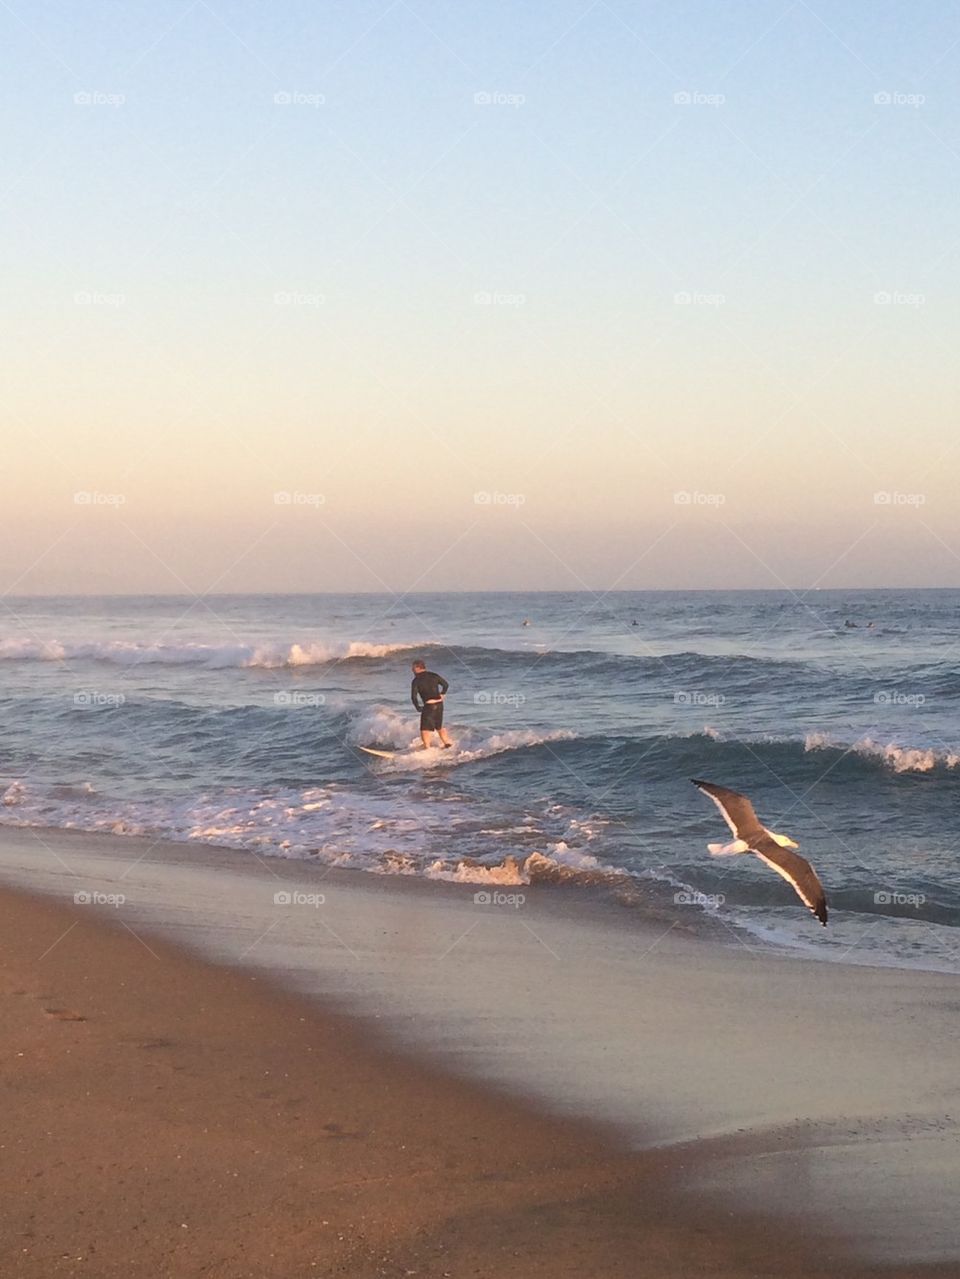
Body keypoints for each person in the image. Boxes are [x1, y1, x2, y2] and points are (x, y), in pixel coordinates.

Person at [410, 660, 453, 749]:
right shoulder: (434, 675)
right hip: (439, 704)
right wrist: (443, 694)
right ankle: (447, 743)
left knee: (425, 729)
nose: (412, 670)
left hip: (429, 706)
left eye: (413, 668)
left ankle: (427, 748)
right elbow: (445, 685)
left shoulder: (416, 680)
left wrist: (418, 707)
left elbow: (413, 697)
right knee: (439, 726)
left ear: (418, 668)